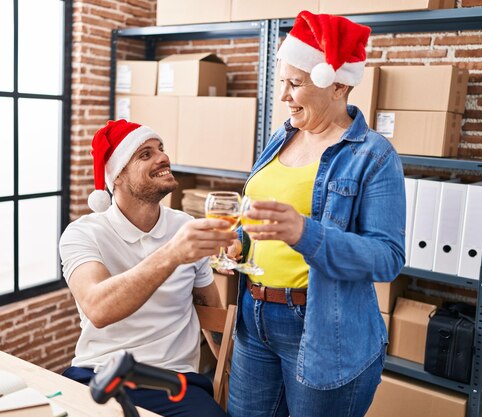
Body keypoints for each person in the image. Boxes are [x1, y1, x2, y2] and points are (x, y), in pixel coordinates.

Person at [225, 11, 406, 417]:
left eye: (296, 84)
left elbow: (388, 258)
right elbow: (259, 220)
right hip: (254, 320)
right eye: (282, 83)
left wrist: (305, 232)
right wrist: (237, 242)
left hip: (321, 329)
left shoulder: (373, 156)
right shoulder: (281, 136)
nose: (284, 96)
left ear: (338, 84)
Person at [58, 119, 233, 417]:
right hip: (97, 374)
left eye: (161, 149)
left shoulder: (184, 226)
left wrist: (231, 374)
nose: (163, 157)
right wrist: (174, 253)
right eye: (145, 154)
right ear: (117, 177)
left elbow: (212, 313)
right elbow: (98, 309)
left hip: (174, 383)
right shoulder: (83, 233)